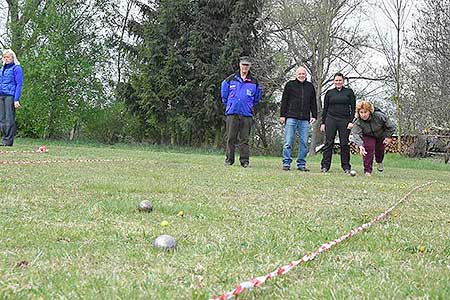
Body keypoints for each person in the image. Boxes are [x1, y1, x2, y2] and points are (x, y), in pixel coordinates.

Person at [221, 56, 262, 167]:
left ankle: (244, 161)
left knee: (244, 139)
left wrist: (249, 106)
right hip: (232, 112)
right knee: (230, 138)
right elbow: (224, 94)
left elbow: (257, 98)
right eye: (243, 64)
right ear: (239, 65)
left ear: (250, 66)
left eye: (247, 65)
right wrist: (230, 104)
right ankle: (229, 160)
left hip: (246, 114)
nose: (245, 67)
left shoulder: (254, 82)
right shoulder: (230, 79)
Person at [280, 66, 317, 171]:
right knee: (288, 141)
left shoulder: (310, 87)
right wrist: (282, 115)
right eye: (299, 74)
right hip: (291, 117)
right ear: (296, 75)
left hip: (305, 119)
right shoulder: (289, 85)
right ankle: (286, 163)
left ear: (306, 75)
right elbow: (284, 101)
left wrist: (314, 115)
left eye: (303, 74)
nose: (301, 75)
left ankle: (301, 164)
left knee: (304, 142)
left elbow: (313, 102)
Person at [320, 72, 356, 174]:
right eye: (336, 80)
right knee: (328, 142)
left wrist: (351, 121)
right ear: (333, 81)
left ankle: (346, 167)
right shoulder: (329, 93)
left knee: (344, 144)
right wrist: (323, 123)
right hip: (331, 119)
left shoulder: (349, 92)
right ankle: (325, 166)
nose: (338, 82)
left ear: (343, 81)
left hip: (344, 120)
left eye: (340, 80)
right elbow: (325, 109)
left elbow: (353, 108)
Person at [351, 100, 396, 176]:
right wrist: (360, 145)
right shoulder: (358, 121)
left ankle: (379, 161)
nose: (363, 115)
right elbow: (356, 133)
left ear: (370, 111)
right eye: (361, 112)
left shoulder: (379, 116)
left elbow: (391, 127)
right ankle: (367, 171)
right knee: (368, 148)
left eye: (365, 112)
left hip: (380, 134)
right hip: (367, 135)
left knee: (380, 150)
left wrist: (388, 137)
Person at [0, 49, 23, 147]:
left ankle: (8, 142)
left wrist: (16, 99)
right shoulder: (2, 69)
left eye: (8, 57)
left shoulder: (17, 68)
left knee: (9, 119)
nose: (6, 59)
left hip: (10, 95)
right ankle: (4, 140)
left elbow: (19, 84)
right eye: (4, 57)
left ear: (12, 57)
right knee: (2, 119)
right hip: (1, 95)